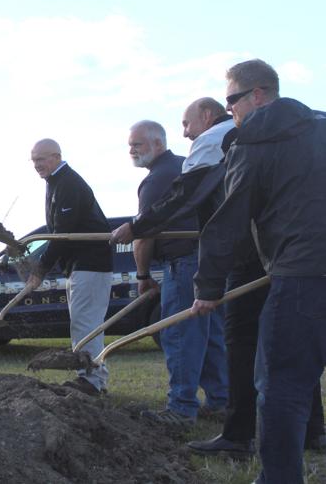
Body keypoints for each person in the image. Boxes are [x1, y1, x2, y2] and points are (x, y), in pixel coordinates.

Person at [192, 59, 326, 483]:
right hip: (304, 266)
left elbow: (230, 220)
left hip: (302, 276)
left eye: (231, 101)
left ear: (258, 95)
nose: (229, 111)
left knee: (282, 384)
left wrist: (208, 285)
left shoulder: (255, 139)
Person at [126, 121, 228, 426]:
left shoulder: (157, 180)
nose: (132, 151)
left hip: (182, 263)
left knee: (179, 334)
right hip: (206, 261)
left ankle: (181, 409)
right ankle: (221, 400)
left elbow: (144, 235)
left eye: (138, 145)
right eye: (130, 146)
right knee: (209, 335)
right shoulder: (187, 166)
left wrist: (143, 276)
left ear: (158, 144)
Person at [26, 138, 113, 396]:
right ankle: (89, 376)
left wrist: (40, 270)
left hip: (91, 262)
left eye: (41, 159)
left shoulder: (68, 183)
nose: (36, 165)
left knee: (87, 323)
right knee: (82, 322)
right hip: (79, 265)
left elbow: (62, 234)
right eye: (33, 160)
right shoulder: (56, 182)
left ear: (56, 156)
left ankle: (93, 381)